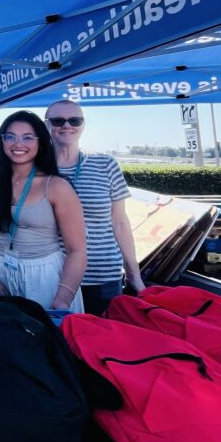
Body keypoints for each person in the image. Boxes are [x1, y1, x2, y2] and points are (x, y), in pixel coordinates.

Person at [0, 110, 86, 312]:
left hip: (45, 278)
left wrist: (62, 299)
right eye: (11, 137)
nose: (18, 144)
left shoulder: (56, 186)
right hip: (0, 272)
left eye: (27, 137)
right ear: (2, 141)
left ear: (41, 143)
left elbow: (76, 250)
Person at [46, 100, 145, 315]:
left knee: (105, 343)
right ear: (47, 125)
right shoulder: (39, 171)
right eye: (57, 121)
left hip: (103, 276)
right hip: (55, 277)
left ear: (83, 125)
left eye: (75, 120)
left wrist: (133, 274)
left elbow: (120, 223)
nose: (67, 125)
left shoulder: (105, 165)